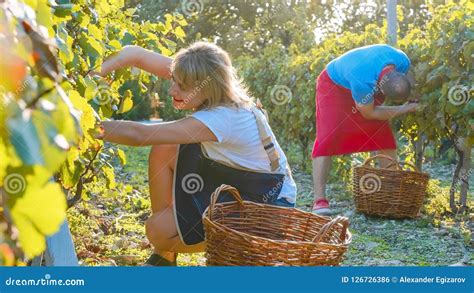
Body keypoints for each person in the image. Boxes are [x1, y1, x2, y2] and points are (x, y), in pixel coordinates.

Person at [95, 42, 297, 266]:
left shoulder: (222, 118)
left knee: (157, 231)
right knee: (166, 147)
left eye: (180, 86)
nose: (172, 90)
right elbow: (136, 54)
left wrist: (84, 125)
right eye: (173, 79)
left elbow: (139, 134)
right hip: (243, 185)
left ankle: (241, 247)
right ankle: (165, 257)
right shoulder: (207, 83)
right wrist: (93, 72)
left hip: (268, 208)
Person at [311, 44, 419, 215]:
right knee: (328, 137)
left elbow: (410, 82)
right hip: (334, 85)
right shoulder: (363, 81)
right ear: (379, 89)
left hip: (362, 79)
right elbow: (370, 113)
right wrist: (404, 109)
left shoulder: (402, 61)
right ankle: (319, 200)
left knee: (383, 136)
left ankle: (391, 195)